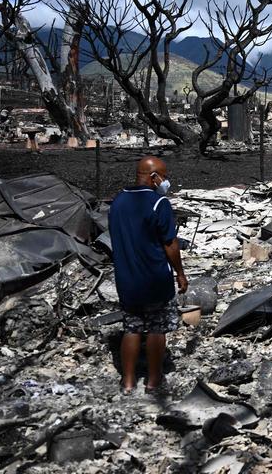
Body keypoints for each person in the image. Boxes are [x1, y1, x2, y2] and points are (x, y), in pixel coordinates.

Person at [109, 156, 189, 394]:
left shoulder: (118, 201)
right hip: (154, 278)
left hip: (126, 279)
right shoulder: (158, 203)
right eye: (164, 176)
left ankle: (128, 382)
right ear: (154, 177)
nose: (166, 181)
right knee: (156, 328)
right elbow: (170, 244)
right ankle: (154, 382)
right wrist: (180, 273)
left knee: (131, 328)